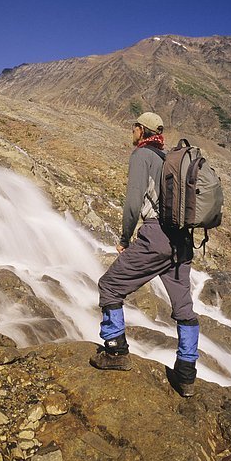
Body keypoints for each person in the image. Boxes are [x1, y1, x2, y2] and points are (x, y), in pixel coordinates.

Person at [89, 112, 199, 397]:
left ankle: (115, 351)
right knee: (183, 307)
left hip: (157, 237)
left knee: (110, 286)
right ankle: (186, 374)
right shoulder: (168, 160)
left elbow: (133, 201)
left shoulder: (141, 157)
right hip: (182, 242)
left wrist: (125, 238)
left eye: (134, 127)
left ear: (141, 130)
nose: (132, 131)